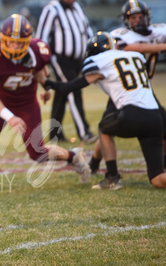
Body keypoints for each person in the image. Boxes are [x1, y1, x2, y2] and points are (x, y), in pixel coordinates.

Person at [0, 14, 91, 193]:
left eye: (19, 42)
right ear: (2, 39)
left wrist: (45, 88)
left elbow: (40, 71)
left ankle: (74, 156)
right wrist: (11, 117)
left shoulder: (37, 51)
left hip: (26, 104)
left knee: (37, 153)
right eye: (11, 42)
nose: (14, 46)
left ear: (27, 41)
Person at [44, 31, 166, 189]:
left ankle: (112, 178)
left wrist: (46, 82)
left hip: (132, 114)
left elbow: (68, 87)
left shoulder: (102, 61)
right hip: (155, 117)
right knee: (157, 179)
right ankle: (96, 166)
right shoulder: (133, 56)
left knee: (104, 128)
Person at [86, 0, 166, 174]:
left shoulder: (158, 31)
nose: (136, 20)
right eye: (132, 17)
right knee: (107, 128)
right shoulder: (121, 35)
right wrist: (161, 46)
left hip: (143, 88)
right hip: (124, 88)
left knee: (162, 125)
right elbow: (130, 48)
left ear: (147, 16)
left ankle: (93, 164)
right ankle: (95, 164)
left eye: (139, 16)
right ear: (126, 20)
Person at [35, 0, 95, 143]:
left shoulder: (78, 8)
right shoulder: (52, 9)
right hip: (60, 58)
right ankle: (84, 132)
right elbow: (41, 37)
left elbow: (88, 32)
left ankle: (55, 134)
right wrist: (42, 61)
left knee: (62, 92)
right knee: (74, 90)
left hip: (78, 60)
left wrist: (93, 51)